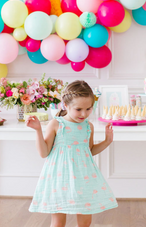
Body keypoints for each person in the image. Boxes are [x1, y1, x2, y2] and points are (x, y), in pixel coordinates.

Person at [26, 80, 118, 227]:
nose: (84, 113)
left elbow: (89, 151)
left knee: (85, 222)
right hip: (59, 178)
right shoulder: (57, 124)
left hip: (83, 177)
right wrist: (38, 130)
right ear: (65, 105)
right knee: (58, 223)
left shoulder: (88, 126)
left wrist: (107, 141)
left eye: (88, 109)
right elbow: (44, 153)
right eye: (78, 109)